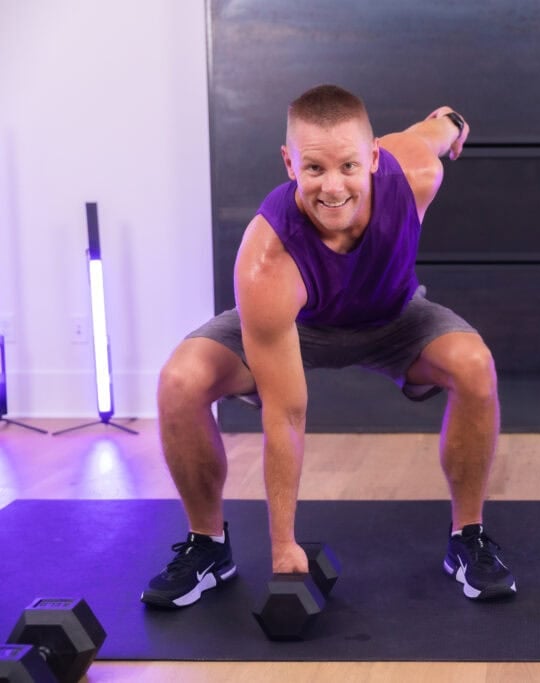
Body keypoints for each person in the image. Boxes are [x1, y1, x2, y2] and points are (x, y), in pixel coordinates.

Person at [141, 84, 516, 608]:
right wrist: (282, 545)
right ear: (289, 164)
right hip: (299, 324)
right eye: (314, 168)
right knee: (180, 381)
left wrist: (452, 122)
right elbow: (286, 416)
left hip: (396, 318)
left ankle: (467, 538)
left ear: (375, 158)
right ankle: (208, 547)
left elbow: (438, 126)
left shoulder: (415, 174)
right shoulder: (265, 260)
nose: (333, 187)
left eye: (348, 167)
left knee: (475, 365)